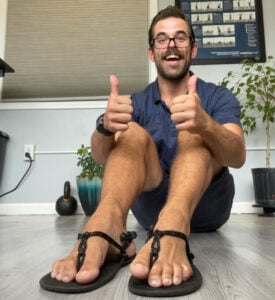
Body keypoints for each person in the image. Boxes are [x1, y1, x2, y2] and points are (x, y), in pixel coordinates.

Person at [47, 5, 246, 296]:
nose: (172, 45)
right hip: (150, 211)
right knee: (129, 132)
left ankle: (176, 221)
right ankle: (107, 224)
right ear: (152, 52)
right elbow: (102, 158)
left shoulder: (218, 96)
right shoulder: (136, 102)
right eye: (162, 39)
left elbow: (237, 156)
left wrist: (205, 124)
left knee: (194, 131)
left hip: (207, 210)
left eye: (180, 38)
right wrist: (105, 126)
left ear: (193, 48)